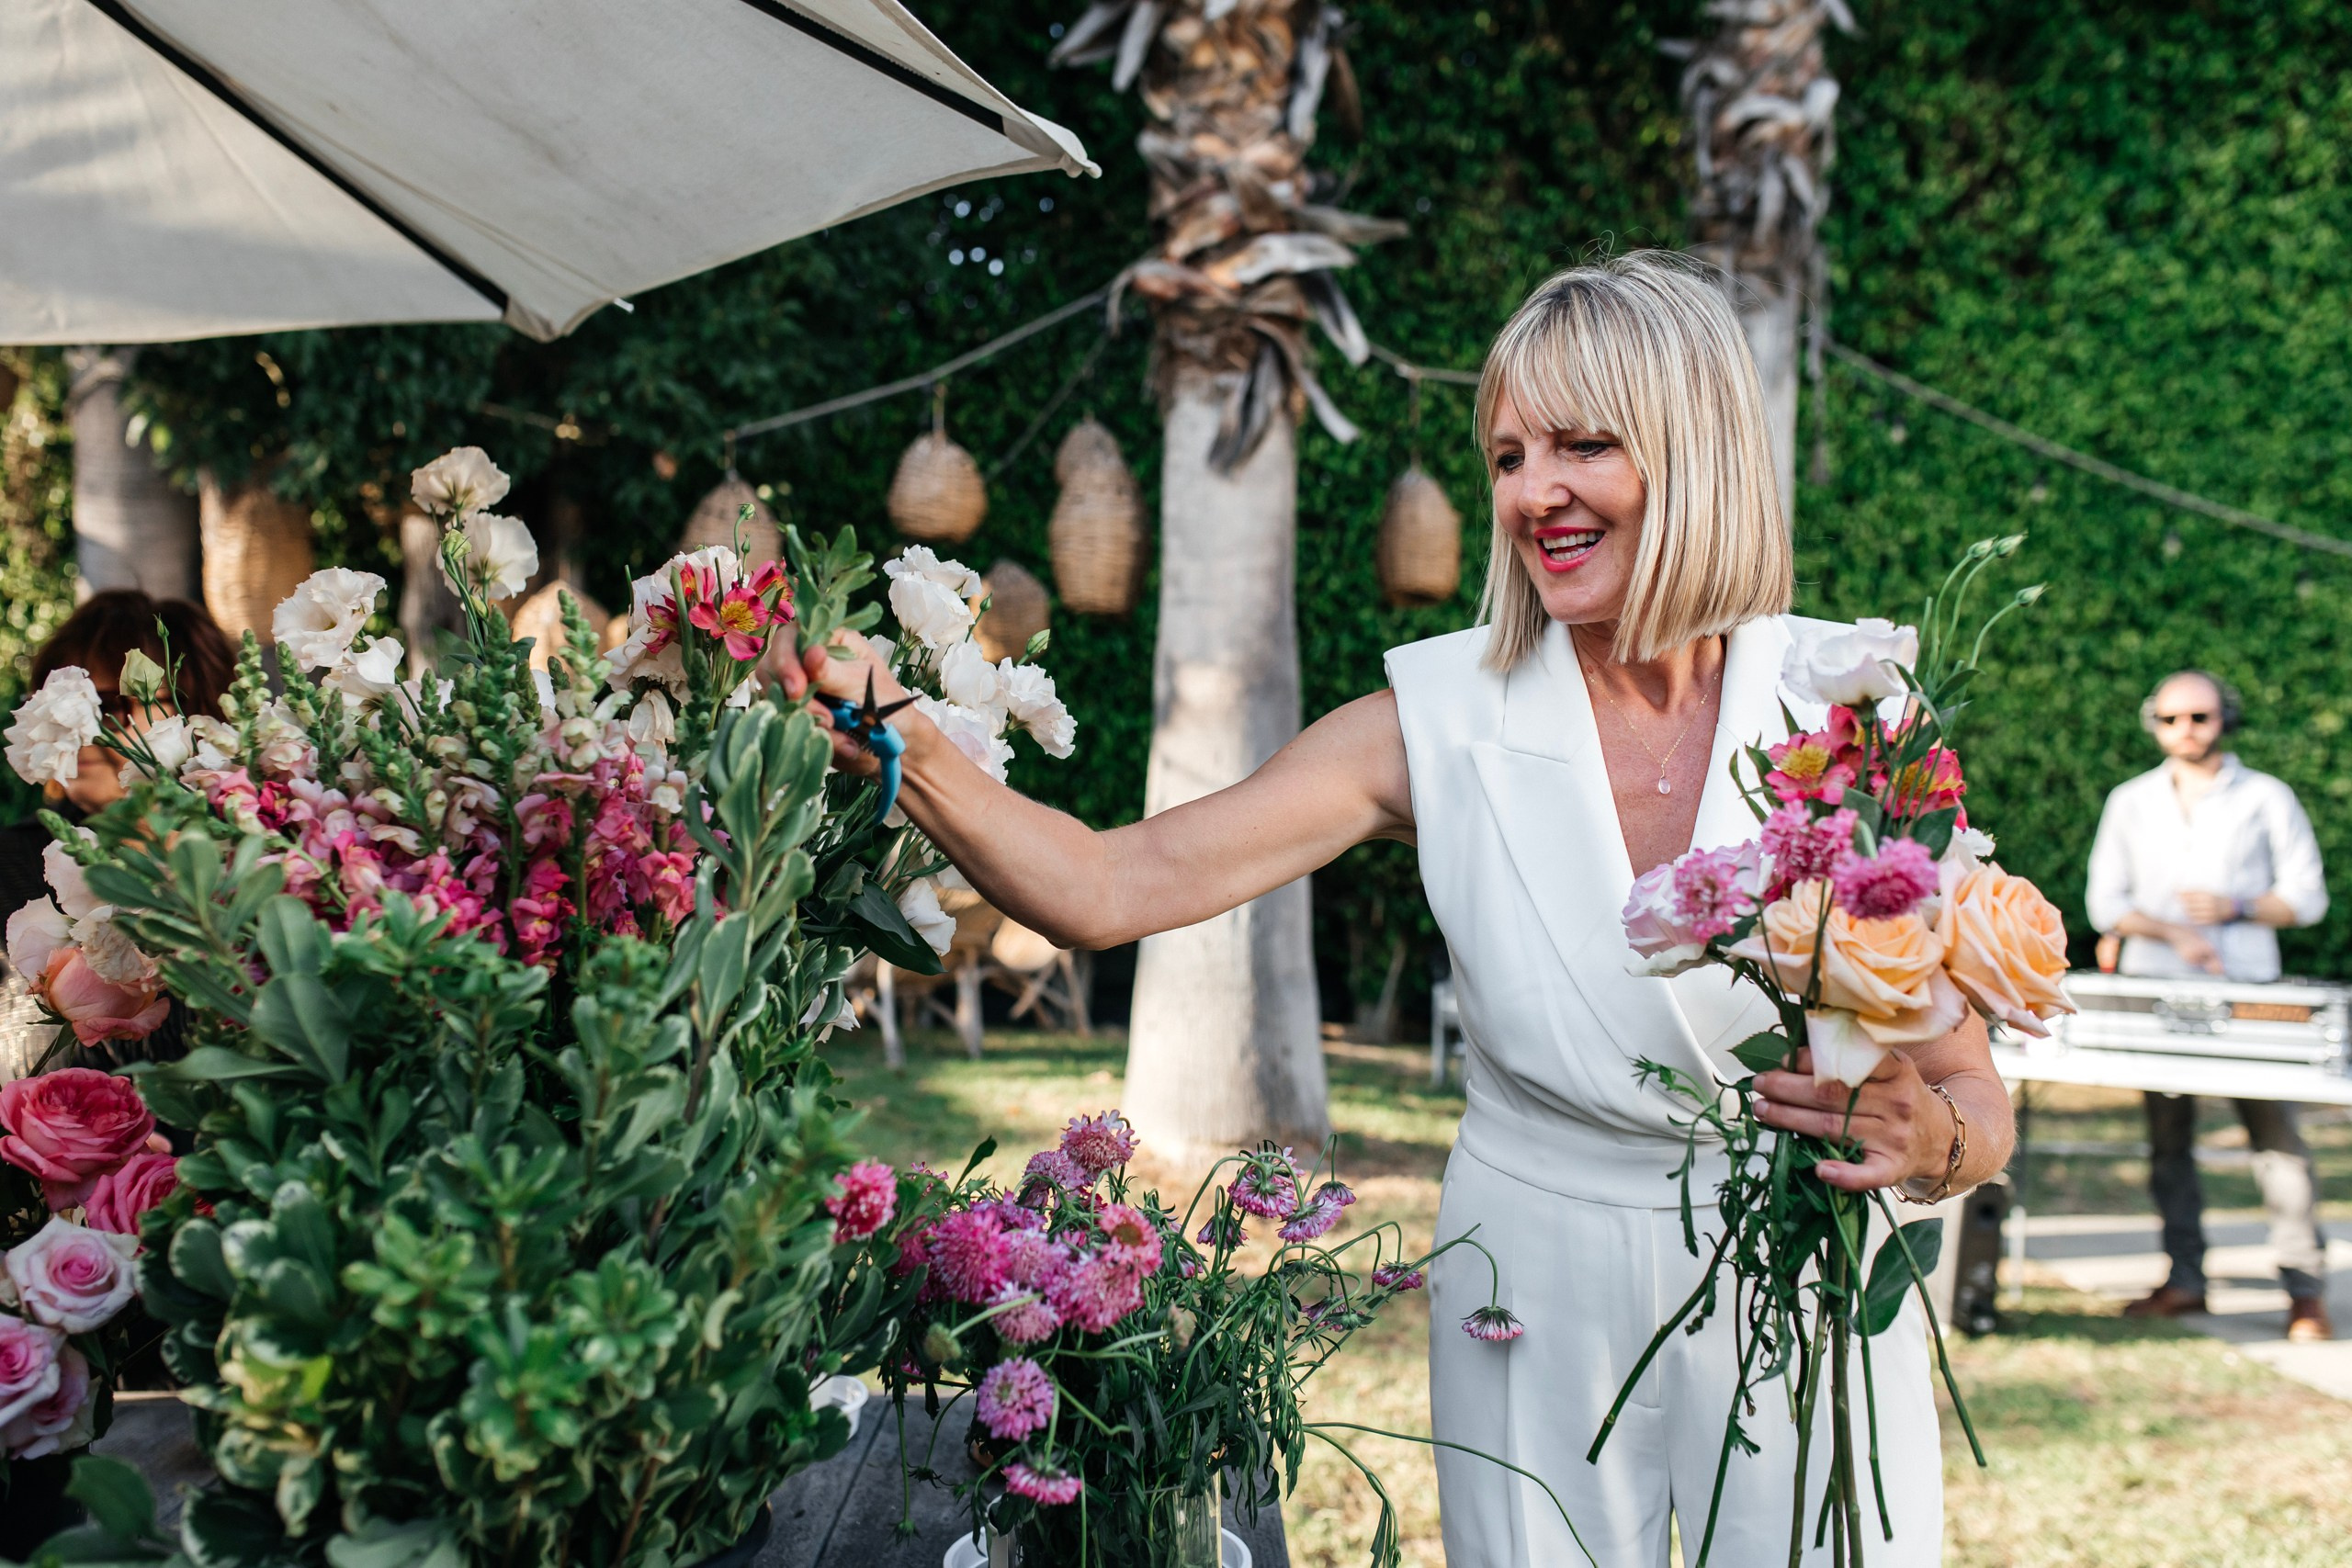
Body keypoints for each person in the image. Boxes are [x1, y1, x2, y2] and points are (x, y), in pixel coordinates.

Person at [782, 251, 2011, 1564]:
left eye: (1583, 446)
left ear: (1694, 451)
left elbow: (1974, 1102)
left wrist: (1926, 1139)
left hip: (1801, 1270)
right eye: (1508, 456)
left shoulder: (1849, 707)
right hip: (1531, 1271)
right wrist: (907, 737)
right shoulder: (1431, 720)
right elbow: (1105, 886)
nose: (1532, 493)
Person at [2085, 670, 2333, 1341]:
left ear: (2226, 718)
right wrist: (2171, 932)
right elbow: (2104, 903)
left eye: (2199, 716)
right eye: (2171, 718)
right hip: (2154, 993)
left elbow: (2308, 898)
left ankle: (2305, 1291)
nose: (2186, 729)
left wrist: (2237, 908)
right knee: (2168, 1144)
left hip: (2249, 997)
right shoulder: (2130, 800)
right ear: (2154, 723)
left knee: (2277, 1143)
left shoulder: (2267, 797)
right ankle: (2185, 1280)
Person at [0, 589, 235, 1076]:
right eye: (55, 706)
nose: (79, 728)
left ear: (197, 713)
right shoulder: (6, 866)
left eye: (107, 704)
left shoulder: (254, 863)